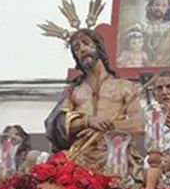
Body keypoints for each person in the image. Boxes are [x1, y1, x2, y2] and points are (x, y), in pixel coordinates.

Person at [44, 21, 146, 172]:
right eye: (76, 48)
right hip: (80, 158)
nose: (82, 49)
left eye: (86, 43)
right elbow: (56, 123)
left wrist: (105, 130)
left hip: (116, 158)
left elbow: (139, 124)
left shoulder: (124, 86)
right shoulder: (74, 90)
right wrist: (88, 121)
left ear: (98, 47)